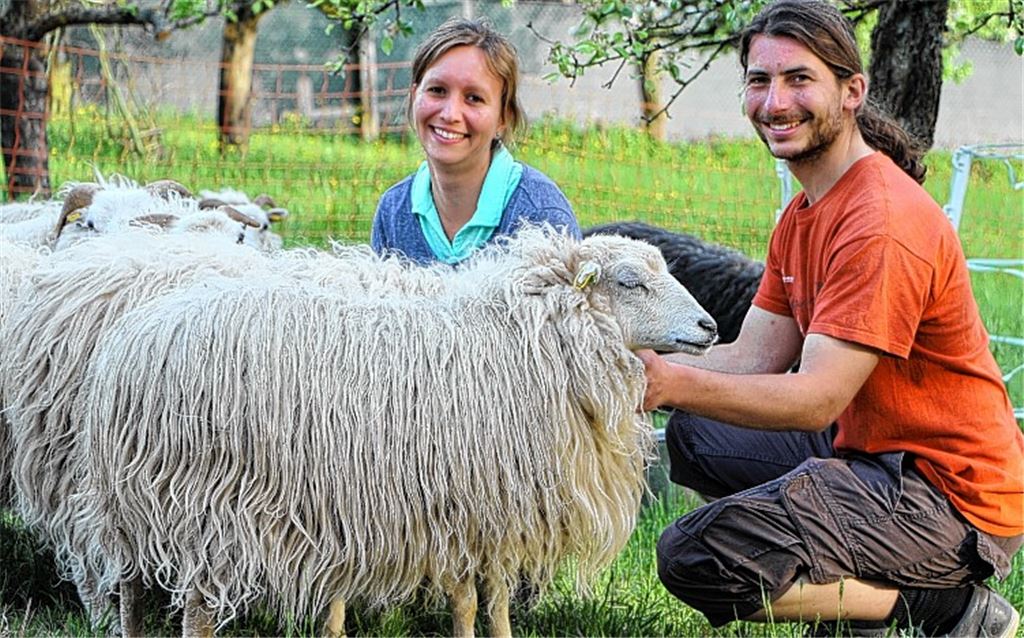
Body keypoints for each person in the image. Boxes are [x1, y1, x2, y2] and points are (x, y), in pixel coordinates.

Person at [638, 1, 1024, 636]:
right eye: (759, 81)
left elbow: (817, 398)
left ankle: (945, 606)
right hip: (872, 451)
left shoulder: (880, 220)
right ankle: (844, 576)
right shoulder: (804, 213)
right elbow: (751, 359)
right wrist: (615, 362)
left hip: (951, 494)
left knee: (695, 557)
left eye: (798, 79)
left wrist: (666, 382)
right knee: (696, 435)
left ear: (851, 93)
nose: (774, 101)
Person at [371, 17, 580, 264]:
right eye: (437, 90)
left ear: (503, 117)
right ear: (414, 95)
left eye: (474, 98)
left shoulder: (541, 216)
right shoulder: (394, 211)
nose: (450, 114)